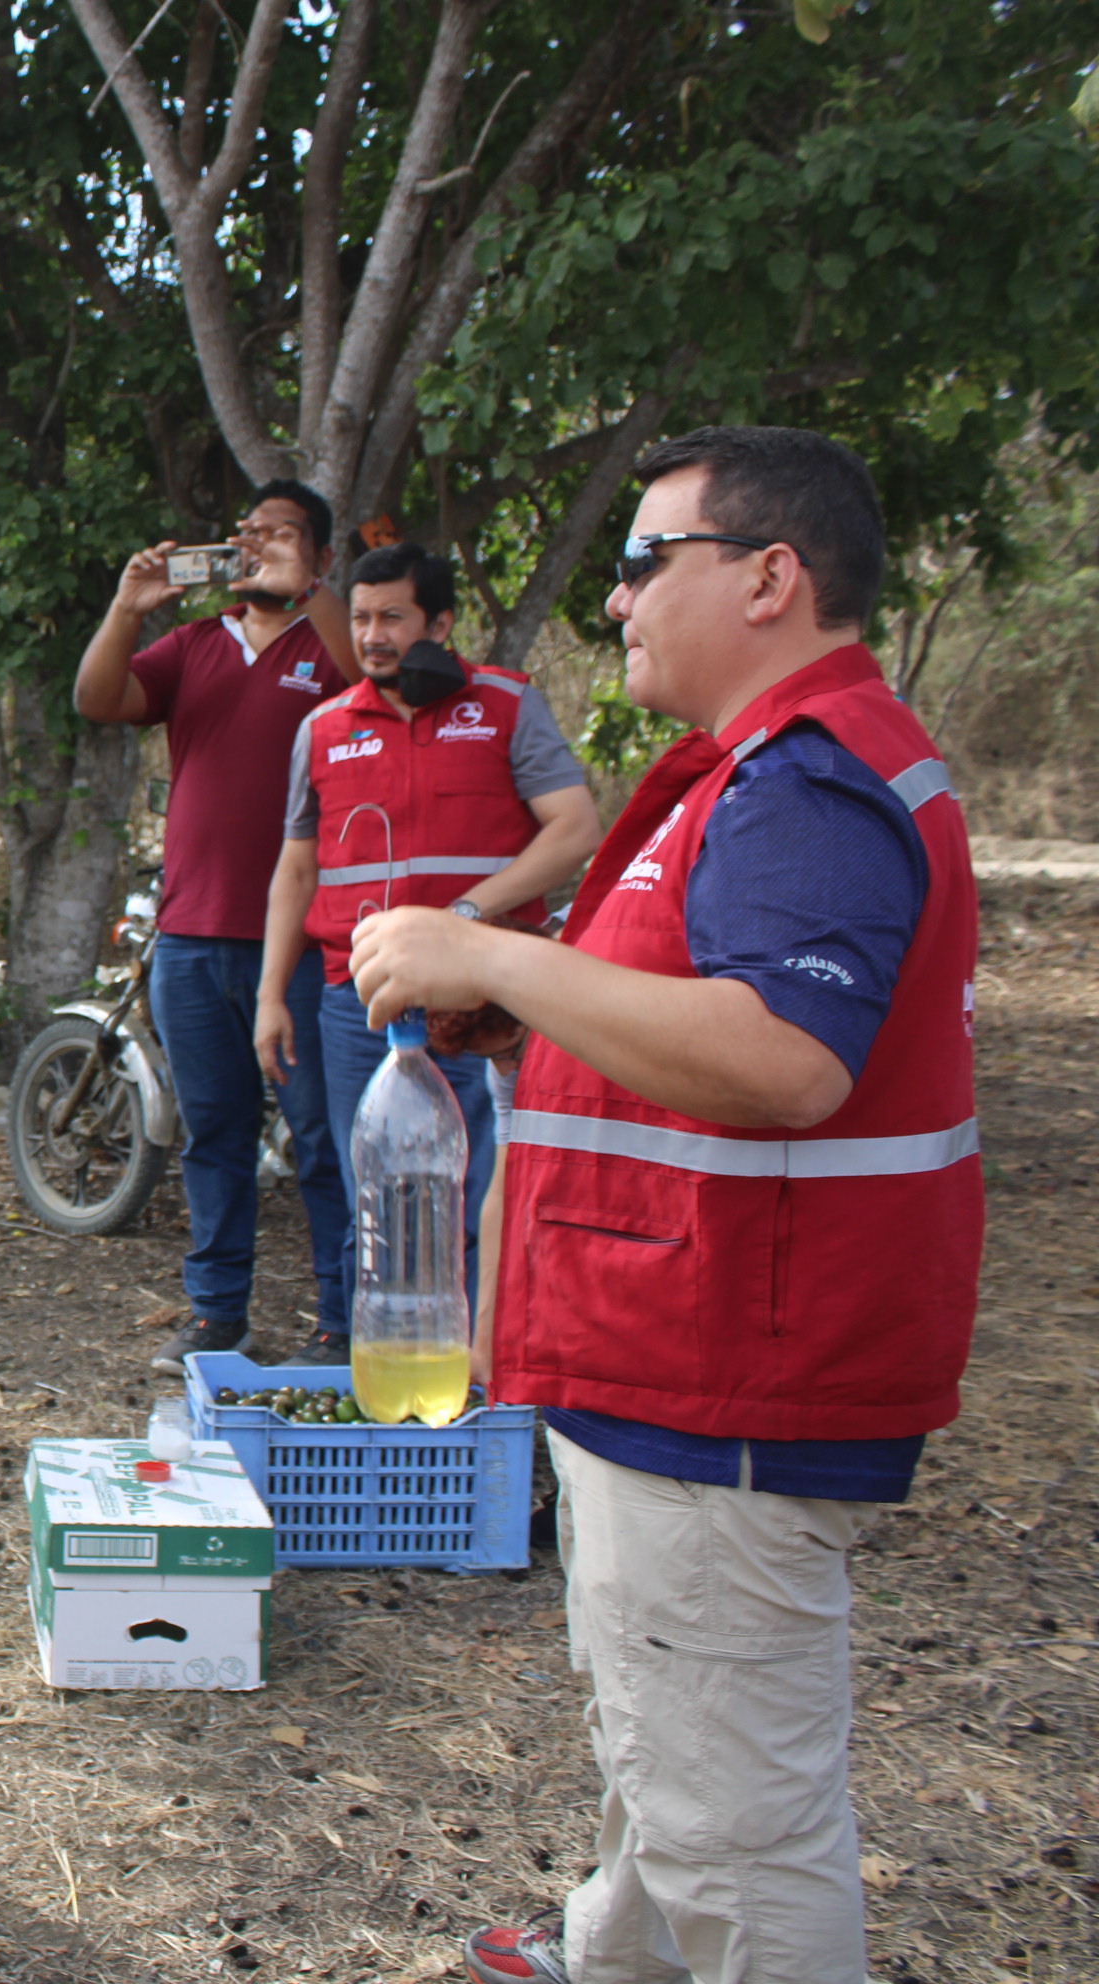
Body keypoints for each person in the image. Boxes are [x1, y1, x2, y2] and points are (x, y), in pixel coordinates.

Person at [345, 428, 978, 1984]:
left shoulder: (804, 783)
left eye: (646, 561)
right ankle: (615, 1954)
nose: (618, 598)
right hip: (669, 1357)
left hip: (724, 1381)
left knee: (738, 1829)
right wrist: (536, 1014)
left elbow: (782, 1059)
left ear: (771, 579)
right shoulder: (757, 773)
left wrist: (492, 954)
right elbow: (694, 1015)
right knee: (672, 1736)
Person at [254, 541, 600, 1346]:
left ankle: (484, 1367)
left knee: (482, 1185)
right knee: (370, 1188)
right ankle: (371, 1357)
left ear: (440, 625)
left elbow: (575, 829)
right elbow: (297, 869)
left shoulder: (506, 704)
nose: (372, 636)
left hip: (488, 998)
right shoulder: (323, 727)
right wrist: (272, 994)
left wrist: (467, 917)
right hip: (359, 999)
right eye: (361, 618)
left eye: (393, 618)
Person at [73, 481, 356, 1373]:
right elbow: (98, 697)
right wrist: (127, 609)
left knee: (321, 1138)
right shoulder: (197, 643)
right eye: (248, 531)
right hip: (192, 935)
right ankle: (217, 1315)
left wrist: (313, 592)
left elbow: (371, 678)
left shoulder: (333, 639)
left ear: (320, 555)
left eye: (282, 534)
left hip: (304, 942)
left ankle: (343, 1324)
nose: (257, 545)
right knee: (215, 1134)